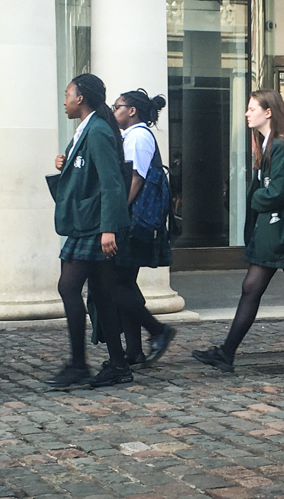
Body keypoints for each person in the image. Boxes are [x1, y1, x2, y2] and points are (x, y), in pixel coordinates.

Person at [192, 89, 284, 374]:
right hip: (278, 231)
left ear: (268, 112)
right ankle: (226, 353)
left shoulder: (279, 144)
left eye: (252, 108)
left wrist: (253, 199)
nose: (247, 113)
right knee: (253, 288)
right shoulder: (271, 143)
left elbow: (279, 191)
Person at [47, 74, 131, 390]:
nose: (65, 99)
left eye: (67, 94)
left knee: (69, 288)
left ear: (80, 98)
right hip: (89, 223)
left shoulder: (96, 130)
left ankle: (79, 365)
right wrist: (64, 162)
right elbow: (89, 171)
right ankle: (118, 364)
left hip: (94, 226)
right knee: (103, 295)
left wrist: (108, 228)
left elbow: (112, 182)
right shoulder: (87, 130)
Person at [109, 89, 175, 365]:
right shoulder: (134, 136)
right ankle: (134, 348)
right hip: (136, 220)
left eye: (117, 107)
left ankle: (157, 330)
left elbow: (135, 178)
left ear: (132, 110)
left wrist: (120, 210)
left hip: (135, 221)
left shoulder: (137, 136)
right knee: (124, 283)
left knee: (116, 284)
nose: (114, 112)